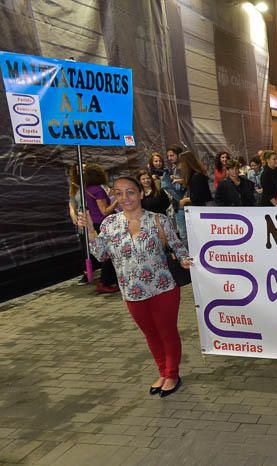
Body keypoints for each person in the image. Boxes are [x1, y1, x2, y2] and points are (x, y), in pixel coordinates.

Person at [76, 176, 191, 398]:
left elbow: (178, 247)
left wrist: (185, 260)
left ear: (140, 193)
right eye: (118, 193)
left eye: (130, 192)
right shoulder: (110, 224)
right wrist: (90, 229)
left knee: (167, 332)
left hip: (163, 288)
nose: (125, 198)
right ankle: (162, 372)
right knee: (150, 334)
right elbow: (101, 254)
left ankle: (173, 374)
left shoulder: (158, 220)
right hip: (131, 292)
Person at [83, 163, 119, 293]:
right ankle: (105, 281)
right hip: (106, 223)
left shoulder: (87, 189)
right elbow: (105, 211)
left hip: (98, 223)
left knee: (109, 252)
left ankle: (108, 280)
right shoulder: (97, 190)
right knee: (111, 253)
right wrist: (117, 200)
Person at [161, 145, 187, 240]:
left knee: (189, 234)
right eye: (168, 156)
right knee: (183, 235)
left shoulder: (186, 168)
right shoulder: (173, 168)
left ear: (179, 155)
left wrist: (180, 181)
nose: (169, 158)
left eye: (172, 155)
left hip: (188, 204)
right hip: (178, 206)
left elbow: (190, 184)